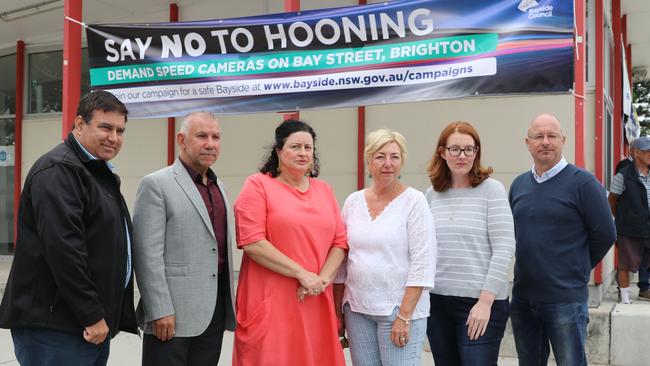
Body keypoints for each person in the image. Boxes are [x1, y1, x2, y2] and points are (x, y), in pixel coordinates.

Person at [0, 90, 137, 365]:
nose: (114, 137)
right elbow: (64, 250)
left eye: (120, 130)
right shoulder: (60, 170)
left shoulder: (95, 171)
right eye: (105, 127)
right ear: (79, 125)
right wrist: (92, 314)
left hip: (84, 327)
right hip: (56, 328)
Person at [233, 119, 348, 365]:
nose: (303, 153)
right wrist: (302, 274)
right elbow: (253, 242)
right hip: (271, 302)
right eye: (295, 146)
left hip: (315, 299)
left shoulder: (324, 189)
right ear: (278, 151)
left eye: (308, 147)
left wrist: (320, 281)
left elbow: (340, 242)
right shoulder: (258, 185)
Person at [508, 113, 616, 366]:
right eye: (538, 136)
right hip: (524, 298)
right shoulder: (519, 185)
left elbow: (606, 234)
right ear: (528, 142)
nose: (545, 142)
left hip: (565, 299)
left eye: (552, 136)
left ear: (563, 140)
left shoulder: (584, 183)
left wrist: (576, 268)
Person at [132, 111, 236, 365]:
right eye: (201, 136)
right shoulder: (156, 184)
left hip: (213, 312)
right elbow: (147, 254)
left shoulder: (221, 188)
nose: (210, 143)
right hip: (170, 316)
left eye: (216, 137)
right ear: (182, 140)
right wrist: (159, 309)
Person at [334, 129, 436, 366]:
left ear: (402, 162)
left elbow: (423, 262)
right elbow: (341, 260)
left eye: (395, 157)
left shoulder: (415, 201)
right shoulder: (352, 202)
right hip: (358, 310)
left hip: (398, 311)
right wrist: (337, 310)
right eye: (380, 156)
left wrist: (404, 315)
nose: (387, 164)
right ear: (368, 160)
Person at [424, 121, 515, 366]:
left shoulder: (491, 190)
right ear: (442, 152)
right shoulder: (431, 194)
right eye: (454, 149)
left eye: (468, 149)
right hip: (437, 302)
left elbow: (505, 246)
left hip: (481, 303)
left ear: (477, 152)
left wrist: (484, 302)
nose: (462, 156)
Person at [608, 136, 650, 304]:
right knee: (625, 262)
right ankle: (625, 298)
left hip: (648, 226)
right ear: (637, 153)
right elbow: (612, 199)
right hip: (628, 227)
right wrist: (622, 218)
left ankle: (644, 288)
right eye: (647, 151)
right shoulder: (623, 175)